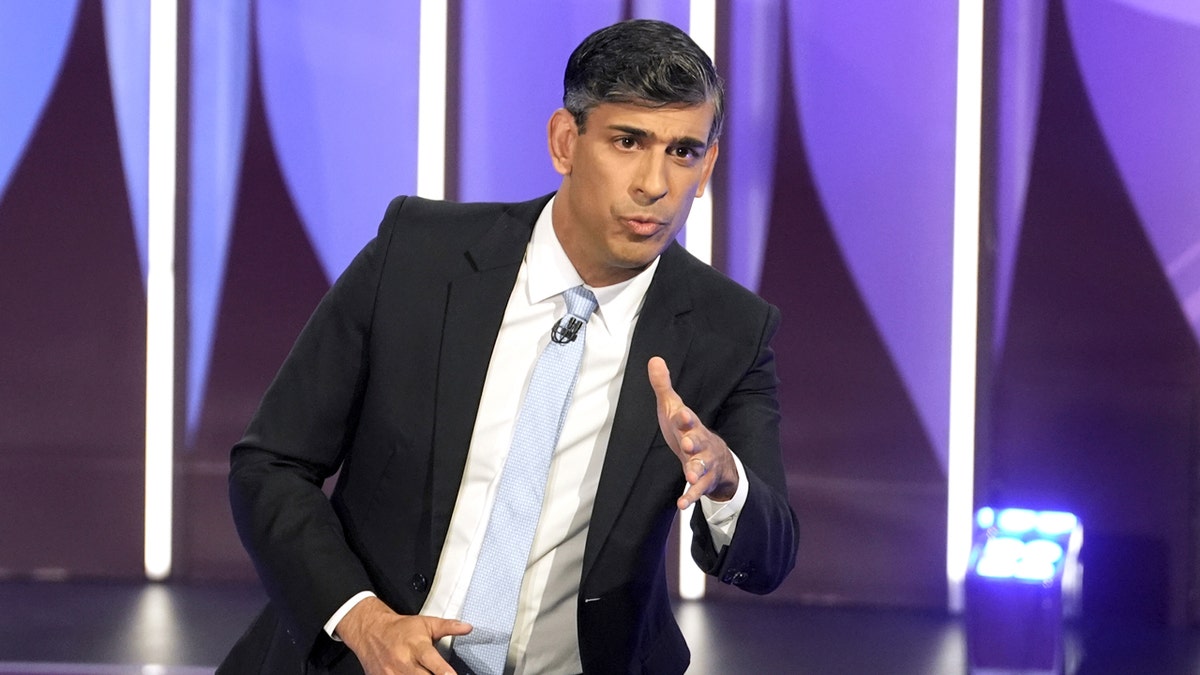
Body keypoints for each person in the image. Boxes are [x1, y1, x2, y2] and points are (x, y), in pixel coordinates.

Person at [220, 18, 798, 675]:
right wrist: (364, 620)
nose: (654, 184)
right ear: (564, 142)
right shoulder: (417, 256)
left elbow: (768, 556)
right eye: (629, 141)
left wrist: (726, 481)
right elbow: (270, 464)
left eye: (683, 151)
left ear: (709, 164)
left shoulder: (729, 330)